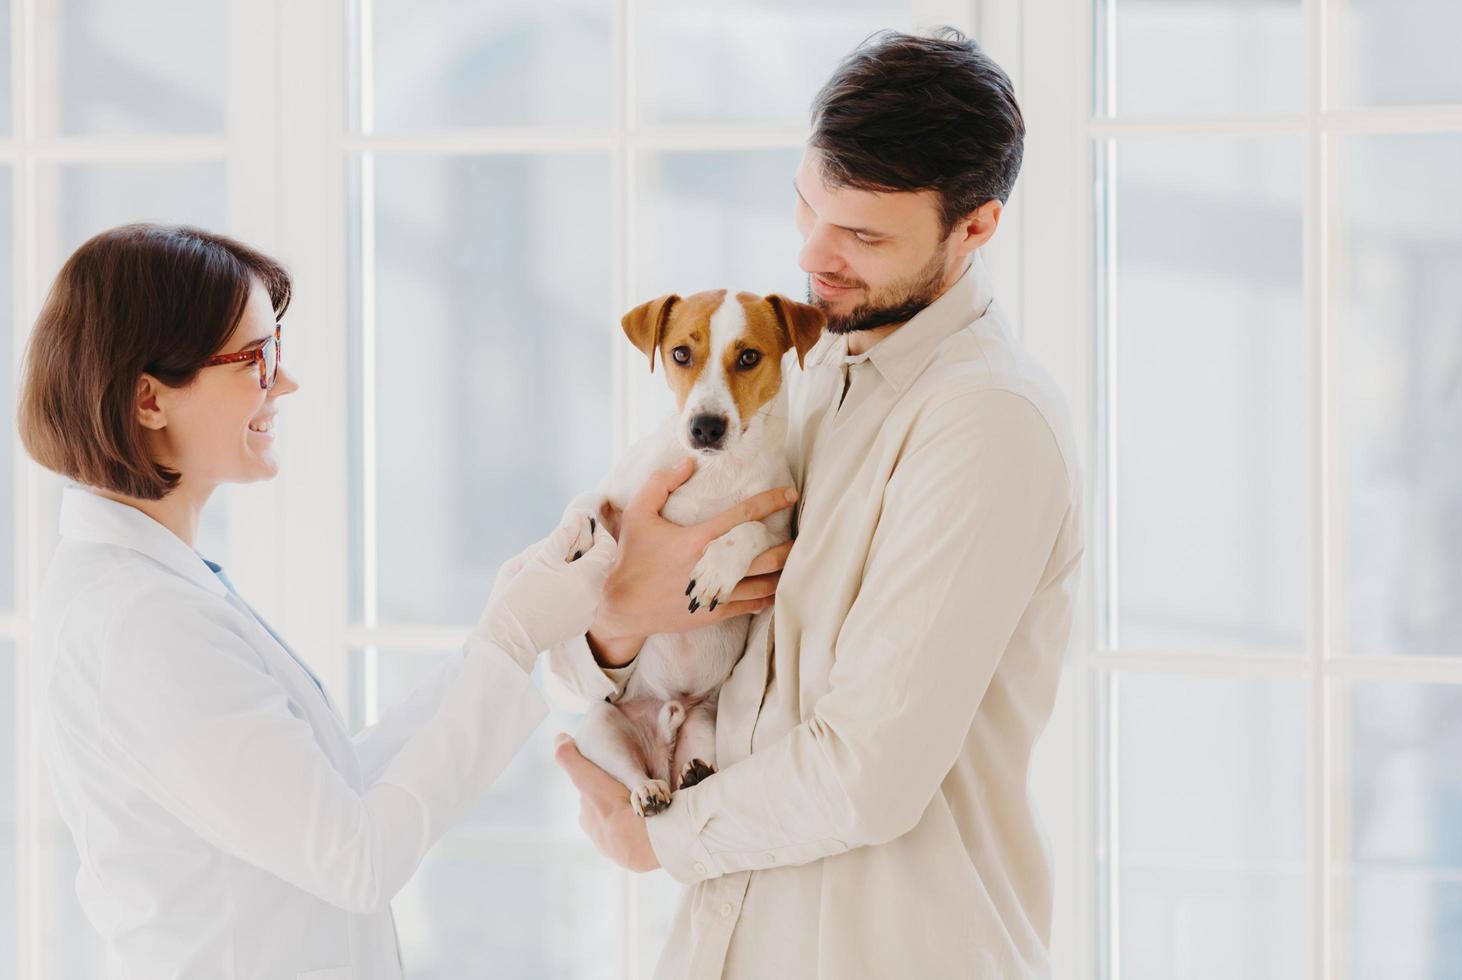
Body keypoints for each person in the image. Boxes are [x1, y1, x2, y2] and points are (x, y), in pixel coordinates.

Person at [17, 223, 792, 979]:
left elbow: (340, 787)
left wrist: (501, 632)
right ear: (151, 400)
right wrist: (509, 644)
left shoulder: (159, 589)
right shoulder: (136, 623)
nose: (283, 381)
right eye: (255, 357)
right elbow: (354, 855)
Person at [551, 29, 1084, 979]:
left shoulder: (985, 427)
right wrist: (621, 627)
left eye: (866, 236)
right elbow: (599, 597)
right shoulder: (808, 364)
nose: (814, 256)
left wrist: (659, 840)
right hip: (736, 939)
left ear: (976, 228)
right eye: (807, 207)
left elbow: (867, 774)